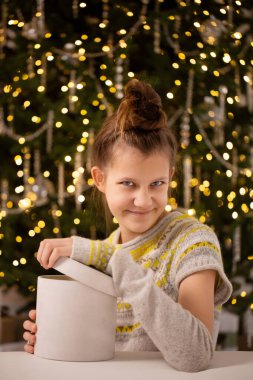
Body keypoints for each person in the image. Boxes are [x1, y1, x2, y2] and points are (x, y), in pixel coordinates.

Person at [23, 79, 232, 372]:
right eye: (128, 184)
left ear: (170, 177)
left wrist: (106, 257)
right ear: (99, 179)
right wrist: (58, 338)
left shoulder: (193, 241)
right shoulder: (106, 252)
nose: (144, 200)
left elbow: (195, 355)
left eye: (157, 183)